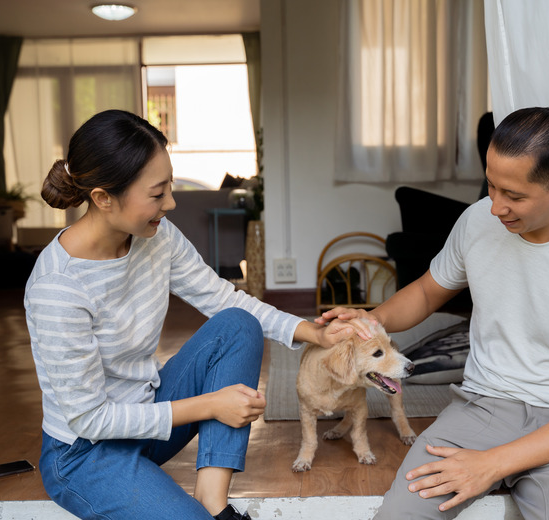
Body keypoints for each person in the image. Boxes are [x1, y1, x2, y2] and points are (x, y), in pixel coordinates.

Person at [25, 109, 359, 520]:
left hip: (146, 416)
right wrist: (210, 405)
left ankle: (213, 501)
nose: (171, 202)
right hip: (84, 452)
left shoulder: (156, 236)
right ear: (102, 198)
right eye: (157, 192)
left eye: (169, 185)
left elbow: (222, 298)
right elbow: (91, 419)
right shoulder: (58, 286)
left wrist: (315, 332)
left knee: (238, 324)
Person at [320, 105, 549, 520]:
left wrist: (491, 464)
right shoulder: (477, 221)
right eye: (490, 185)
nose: (496, 207)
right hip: (480, 409)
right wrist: (371, 321)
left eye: (514, 195)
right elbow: (425, 292)